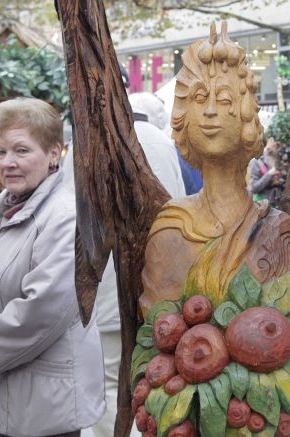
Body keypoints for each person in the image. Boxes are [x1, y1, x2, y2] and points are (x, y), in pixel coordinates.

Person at [0, 98, 105, 437]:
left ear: (54, 154)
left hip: (47, 404)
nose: (8, 163)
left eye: (22, 150)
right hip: (3, 395)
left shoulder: (65, 217)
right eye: (2, 151)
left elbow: (42, 311)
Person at [67, 92, 186, 437]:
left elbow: (73, 217)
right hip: (164, 283)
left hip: (106, 285)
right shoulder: (163, 142)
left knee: (108, 381)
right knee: (159, 375)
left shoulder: (90, 140)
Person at [249, 137, 284, 207]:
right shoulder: (256, 161)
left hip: (276, 202)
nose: (277, 147)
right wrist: (269, 174)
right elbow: (254, 188)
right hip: (262, 203)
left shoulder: (276, 158)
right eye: (274, 144)